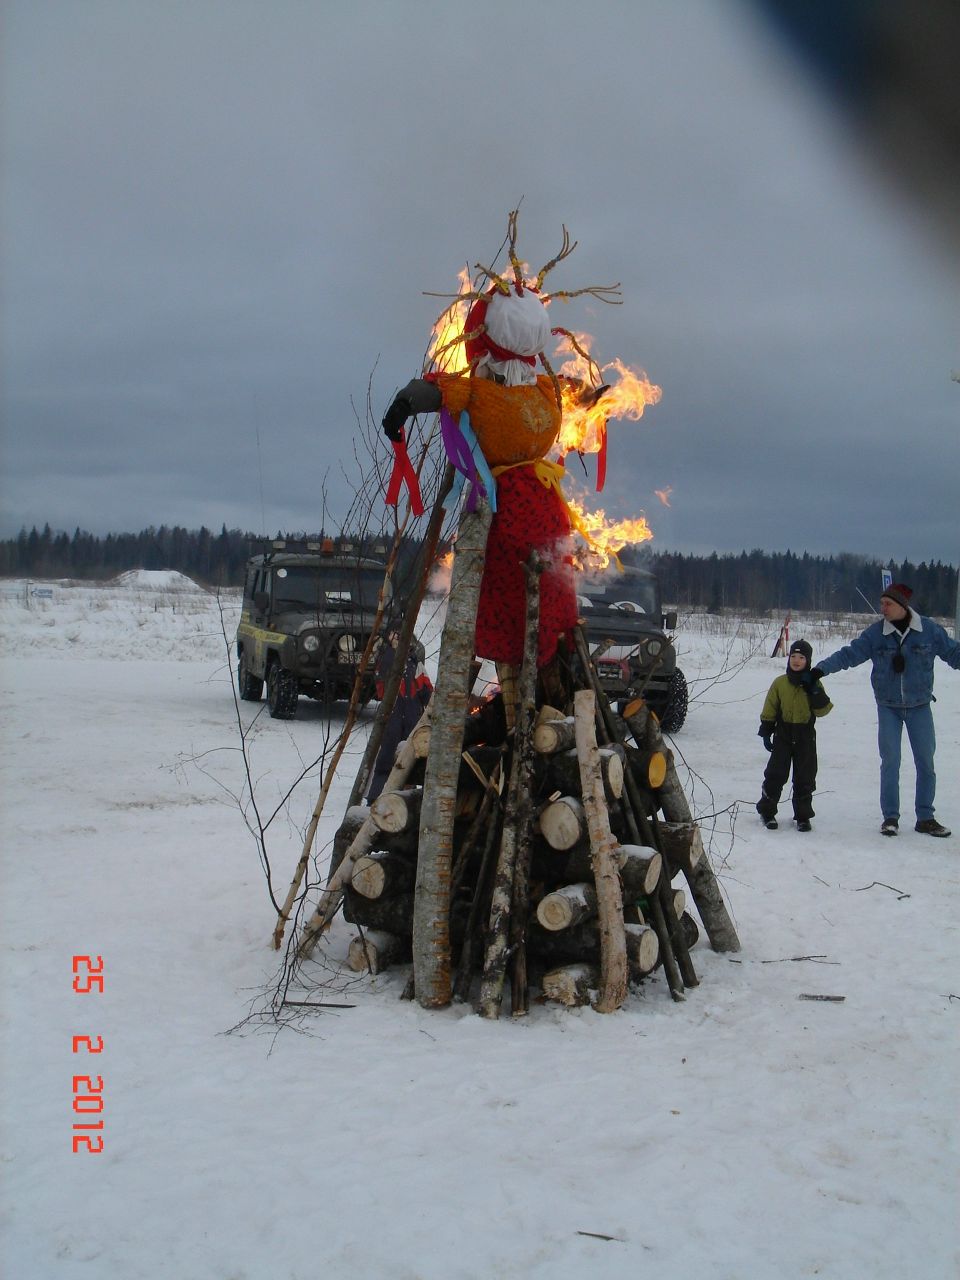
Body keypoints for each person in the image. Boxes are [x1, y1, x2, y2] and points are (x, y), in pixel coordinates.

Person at [810, 583, 960, 837]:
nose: (883, 609)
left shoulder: (930, 631)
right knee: (890, 762)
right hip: (888, 707)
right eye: (881, 604)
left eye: (888, 604)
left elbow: (954, 654)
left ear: (902, 606)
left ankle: (926, 817)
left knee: (926, 762)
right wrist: (821, 669)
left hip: (919, 706)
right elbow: (850, 654)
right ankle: (890, 817)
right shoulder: (876, 634)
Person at [756, 638, 833, 831]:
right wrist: (766, 730)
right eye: (793, 656)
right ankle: (767, 811)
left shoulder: (813, 683)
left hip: (805, 736)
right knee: (775, 774)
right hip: (783, 734)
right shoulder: (780, 683)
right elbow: (770, 707)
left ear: (808, 661)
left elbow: (823, 711)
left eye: (801, 657)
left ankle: (803, 816)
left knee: (804, 776)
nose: (796, 661)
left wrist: (814, 690)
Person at [366, 630, 433, 803]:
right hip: (393, 716)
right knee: (386, 759)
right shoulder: (386, 659)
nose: (399, 640)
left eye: (401, 637)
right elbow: (381, 687)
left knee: (411, 759)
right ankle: (375, 798)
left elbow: (427, 691)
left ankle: (407, 798)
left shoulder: (414, 663)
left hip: (410, 717)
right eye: (395, 637)